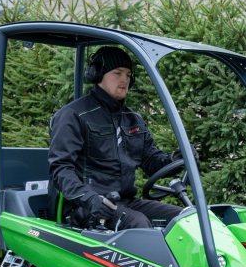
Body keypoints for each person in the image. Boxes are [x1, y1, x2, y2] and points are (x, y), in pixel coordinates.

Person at [48, 46, 193, 230]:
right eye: (118, 73)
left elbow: (151, 161)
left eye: (128, 74)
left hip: (126, 203)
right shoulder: (74, 115)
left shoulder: (133, 120)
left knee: (186, 219)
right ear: (97, 74)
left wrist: (176, 160)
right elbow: (60, 170)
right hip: (86, 207)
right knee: (138, 224)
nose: (125, 79)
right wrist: (90, 199)